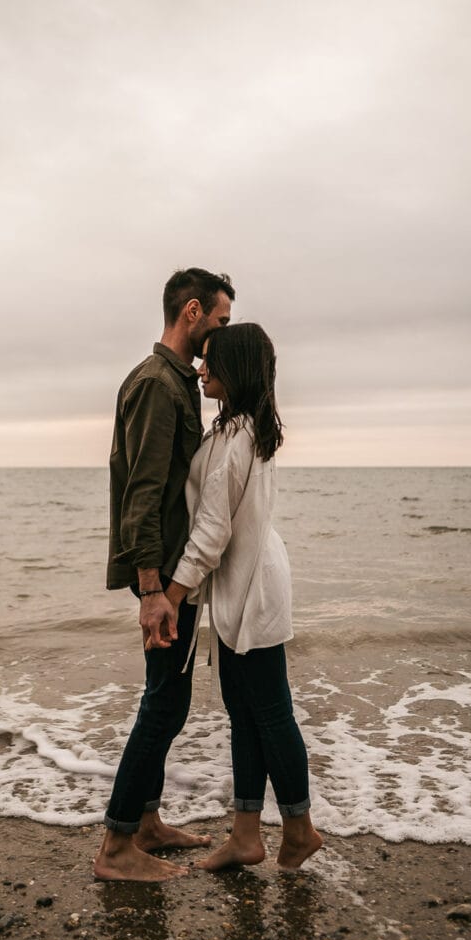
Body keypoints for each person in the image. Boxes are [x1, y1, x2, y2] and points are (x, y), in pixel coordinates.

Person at [93, 268, 236, 882]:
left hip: (172, 570)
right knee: (162, 706)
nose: (221, 338)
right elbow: (144, 495)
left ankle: (146, 822)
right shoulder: (158, 385)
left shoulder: (173, 381)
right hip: (163, 574)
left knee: (166, 702)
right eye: (221, 323)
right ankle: (118, 846)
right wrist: (153, 591)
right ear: (194, 312)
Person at [165, 323, 322, 870]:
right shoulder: (237, 427)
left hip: (253, 587)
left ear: (235, 368)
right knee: (244, 713)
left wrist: (171, 594)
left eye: (210, 361)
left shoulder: (239, 438)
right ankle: (248, 836)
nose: (201, 368)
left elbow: (211, 533)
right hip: (245, 582)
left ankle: (299, 829)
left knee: (270, 713)